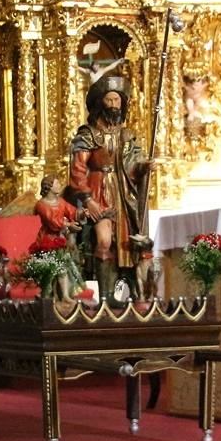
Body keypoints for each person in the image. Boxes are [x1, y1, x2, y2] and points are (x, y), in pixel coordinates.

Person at [67, 75, 152, 299]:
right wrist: (88, 201)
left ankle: (124, 294)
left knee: (124, 244)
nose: (114, 104)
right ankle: (104, 294)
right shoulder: (88, 135)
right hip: (98, 190)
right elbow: (77, 170)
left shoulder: (127, 136)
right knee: (104, 241)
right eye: (109, 100)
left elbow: (131, 167)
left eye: (117, 100)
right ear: (99, 103)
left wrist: (143, 168)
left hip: (123, 194)